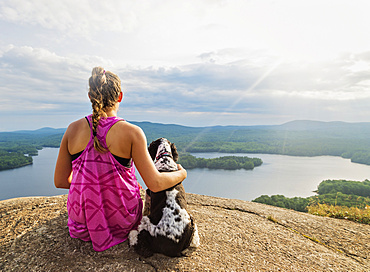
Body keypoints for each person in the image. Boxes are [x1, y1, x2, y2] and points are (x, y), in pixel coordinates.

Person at [54, 67, 187, 252]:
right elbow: (155, 183)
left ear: (90, 96)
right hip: (121, 222)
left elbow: (60, 181)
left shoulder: (72, 129)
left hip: (80, 224)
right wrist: (181, 173)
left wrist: (91, 186)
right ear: (120, 96)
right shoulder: (132, 133)